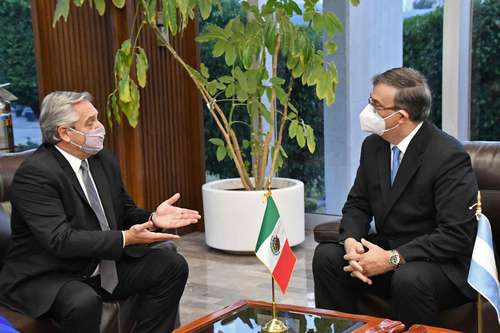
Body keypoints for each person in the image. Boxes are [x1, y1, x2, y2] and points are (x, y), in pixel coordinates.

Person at [0, 91, 201, 333]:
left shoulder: (101, 159)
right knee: (82, 301)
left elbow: (125, 212)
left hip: (97, 266)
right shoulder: (36, 174)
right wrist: (126, 238)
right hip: (49, 274)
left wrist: (153, 219)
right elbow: (60, 240)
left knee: (171, 264)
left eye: (97, 118)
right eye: (90, 122)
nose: (100, 127)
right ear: (65, 133)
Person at [312, 67, 478, 327]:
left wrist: (392, 259)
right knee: (328, 257)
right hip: (388, 252)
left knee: (408, 277)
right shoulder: (374, 145)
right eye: (371, 100)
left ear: (401, 116)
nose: (368, 111)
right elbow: (358, 203)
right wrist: (351, 241)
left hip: (437, 265)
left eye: (376, 105)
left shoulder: (448, 156)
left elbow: (456, 235)